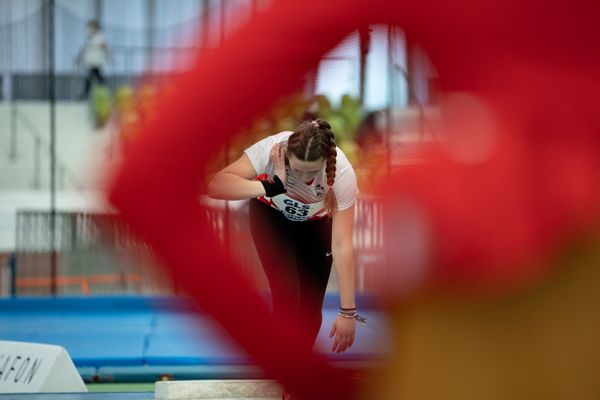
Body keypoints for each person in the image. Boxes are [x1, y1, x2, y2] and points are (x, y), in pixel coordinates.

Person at [208, 118, 360, 362]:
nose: (306, 178)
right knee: (288, 297)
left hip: (316, 227)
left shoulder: (342, 173)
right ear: (287, 157)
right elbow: (216, 186)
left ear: (325, 163)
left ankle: (296, 368)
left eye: (313, 172)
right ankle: (284, 368)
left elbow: (342, 244)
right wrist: (271, 186)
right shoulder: (272, 149)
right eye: (298, 171)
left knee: (310, 311)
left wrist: (348, 313)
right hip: (271, 218)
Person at [76, 20, 111, 100]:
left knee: (92, 79)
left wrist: (109, 58)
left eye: (91, 28)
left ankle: (85, 95)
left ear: (96, 28)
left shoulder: (100, 38)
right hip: (90, 62)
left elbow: (105, 48)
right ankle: (104, 93)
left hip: (96, 62)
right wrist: (78, 58)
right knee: (98, 79)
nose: (89, 30)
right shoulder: (89, 39)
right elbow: (83, 49)